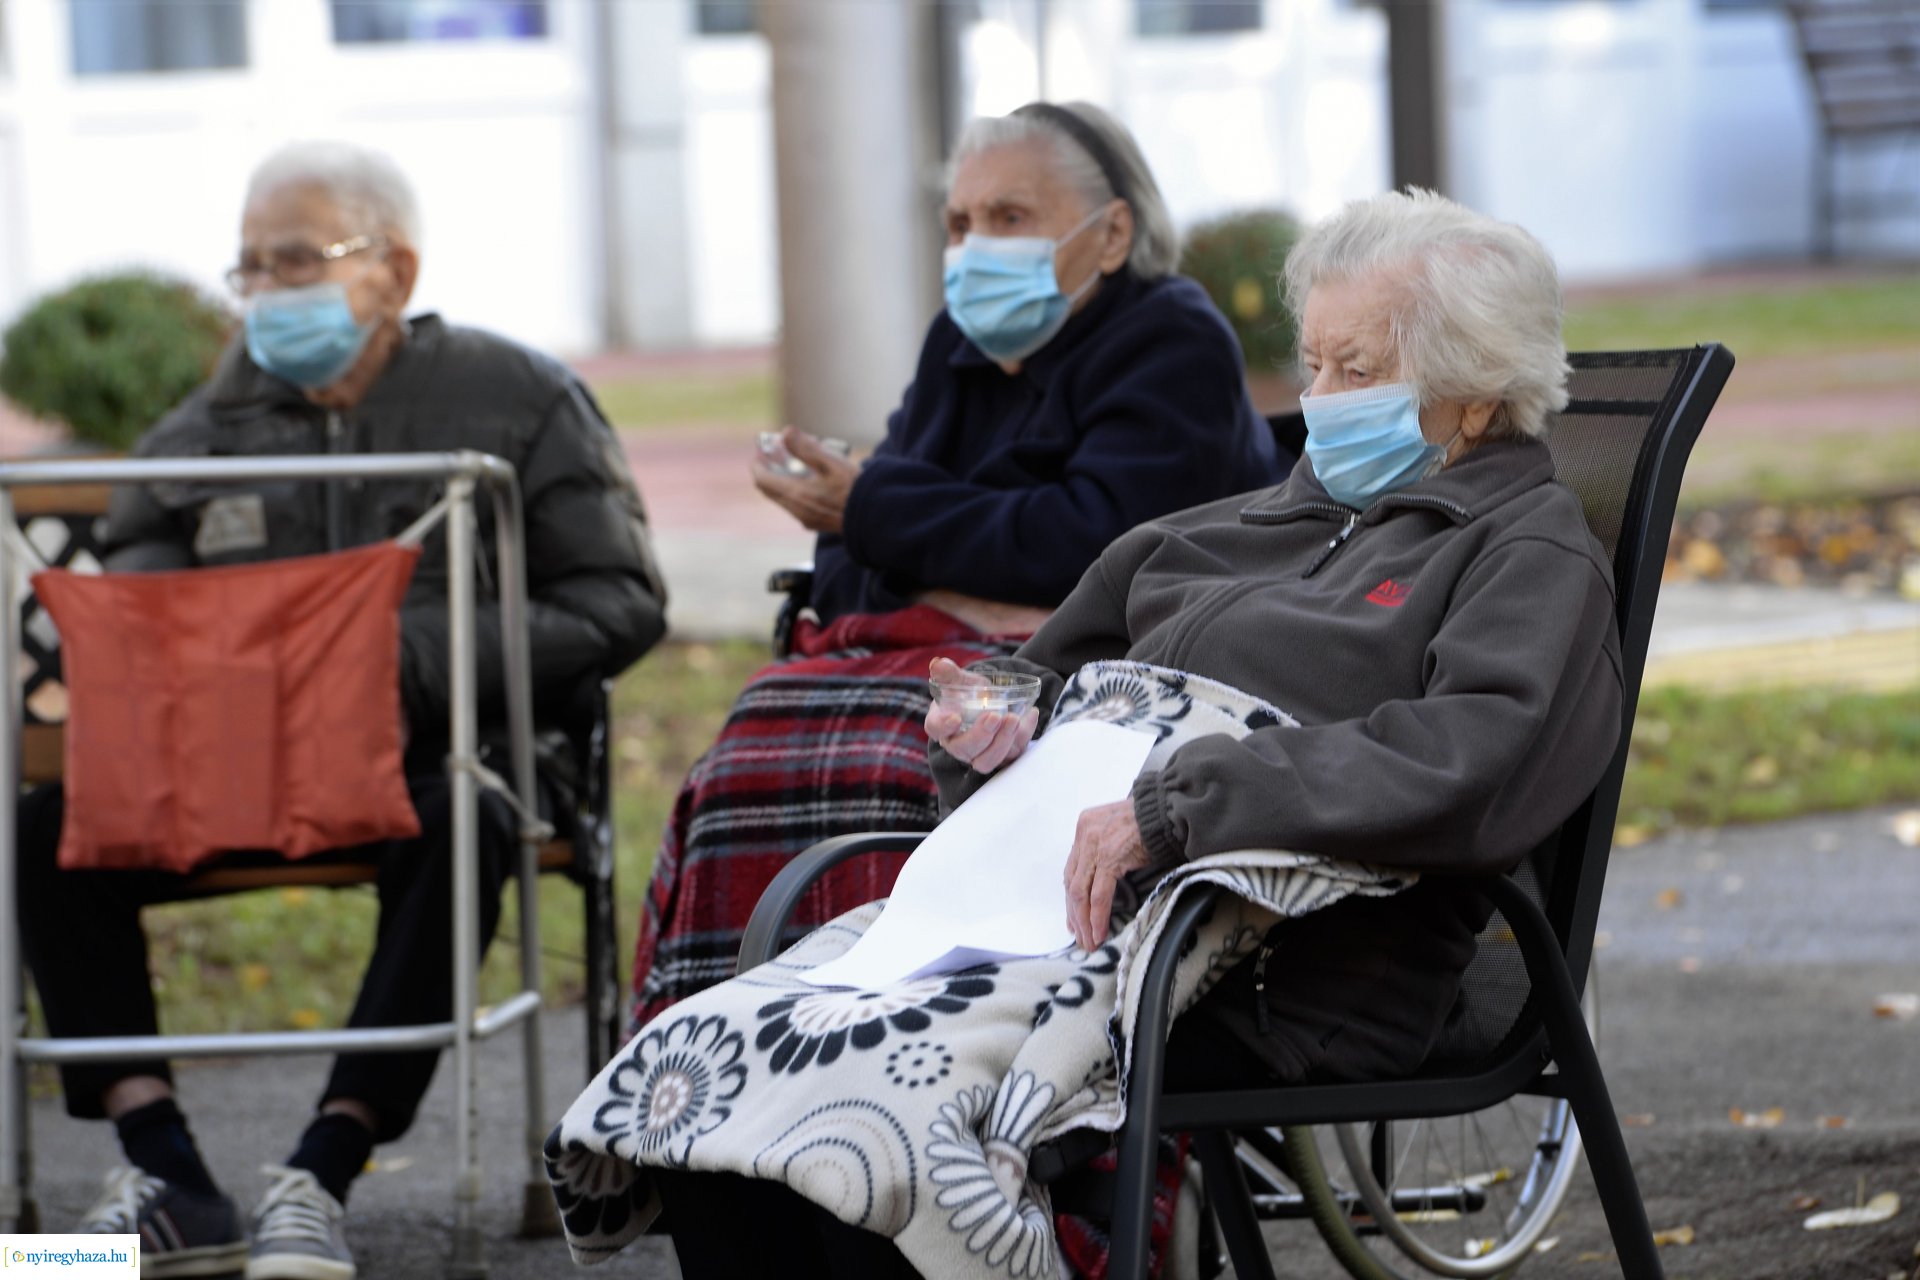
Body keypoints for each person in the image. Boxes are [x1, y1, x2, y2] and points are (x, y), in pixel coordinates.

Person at [628, 188, 1624, 1279]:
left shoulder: (1526, 553)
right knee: (707, 1073)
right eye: (1313, 363)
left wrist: (1183, 803)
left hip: (1278, 965)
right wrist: (988, 723)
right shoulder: (1231, 529)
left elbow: (1473, 762)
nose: (1319, 400)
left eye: (1359, 369)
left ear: (1474, 396)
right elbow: (1040, 673)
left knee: (862, 1119)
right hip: (1059, 923)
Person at [15, 140, 667, 1280]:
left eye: (297, 260)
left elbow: (620, 599)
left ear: (394, 271)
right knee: (43, 829)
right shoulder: (203, 430)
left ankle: (320, 1173)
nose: (267, 291)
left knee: (464, 816)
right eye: (251, 267)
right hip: (241, 767)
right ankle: (170, 1177)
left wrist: (401, 659)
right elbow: (144, 609)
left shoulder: (517, 399)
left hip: (435, 755)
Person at [628, 100, 1282, 1025]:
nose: (976, 247)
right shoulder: (958, 344)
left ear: (1111, 234)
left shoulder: (1172, 339)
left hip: (1093, 683)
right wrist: (933, 552)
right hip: (946, 660)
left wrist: (890, 521)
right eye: (962, 222)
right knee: (750, 740)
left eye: (1010, 217)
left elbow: (1094, 552)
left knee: (932, 747)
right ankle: (735, 1029)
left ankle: (913, 1030)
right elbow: (853, 558)